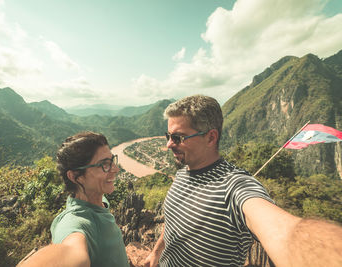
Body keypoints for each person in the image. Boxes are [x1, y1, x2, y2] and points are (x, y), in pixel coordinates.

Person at [144, 95, 342, 267]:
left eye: (178, 137)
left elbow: (284, 230)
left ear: (211, 138)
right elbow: (173, 222)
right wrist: (156, 252)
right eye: (168, 136)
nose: (169, 144)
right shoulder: (182, 173)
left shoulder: (235, 186)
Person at [18, 131, 129, 267]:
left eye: (112, 160)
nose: (116, 169)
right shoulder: (76, 222)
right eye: (104, 164)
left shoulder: (99, 200)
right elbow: (73, 252)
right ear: (75, 176)